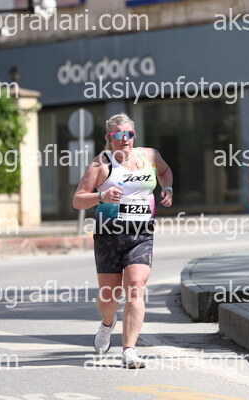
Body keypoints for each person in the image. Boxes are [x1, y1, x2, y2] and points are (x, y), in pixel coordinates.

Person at [72, 113, 173, 369]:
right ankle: (107, 323)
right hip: (108, 234)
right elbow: (78, 200)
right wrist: (101, 197)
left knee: (136, 286)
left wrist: (167, 188)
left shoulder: (149, 156)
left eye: (129, 134)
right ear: (109, 138)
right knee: (109, 297)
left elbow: (165, 171)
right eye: (118, 135)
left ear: (134, 135)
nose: (124, 139)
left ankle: (129, 351)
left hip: (141, 233)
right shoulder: (101, 164)